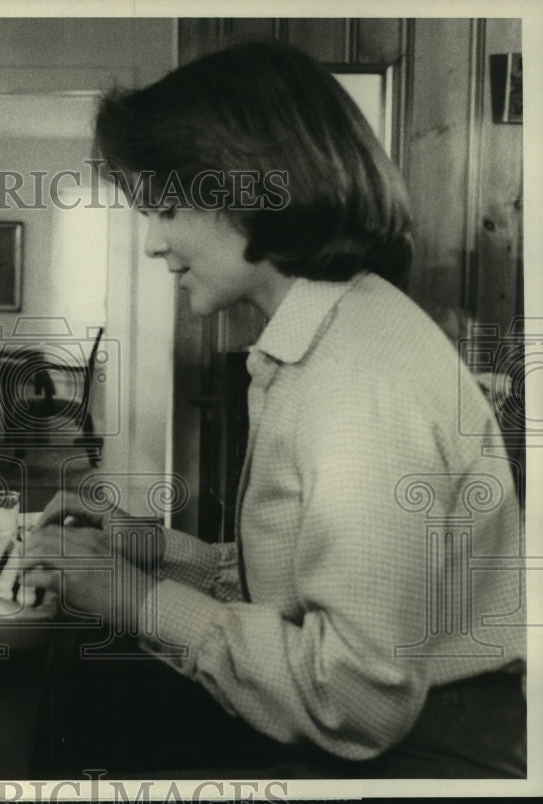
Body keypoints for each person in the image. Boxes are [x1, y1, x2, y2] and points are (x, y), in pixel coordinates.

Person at [26, 40, 526, 778]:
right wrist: (159, 553)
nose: (156, 244)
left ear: (246, 187)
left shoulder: (357, 385)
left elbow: (357, 697)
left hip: (431, 752)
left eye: (165, 207)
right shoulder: (333, 330)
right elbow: (305, 585)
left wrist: (138, 604)